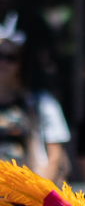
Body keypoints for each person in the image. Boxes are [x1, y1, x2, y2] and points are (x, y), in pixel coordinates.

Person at [0, 11, 69, 183]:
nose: (3, 63)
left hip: (24, 195)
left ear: (22, 62)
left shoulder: (42, 104)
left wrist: (38, 198)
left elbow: (54, 156)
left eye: (11, 57)